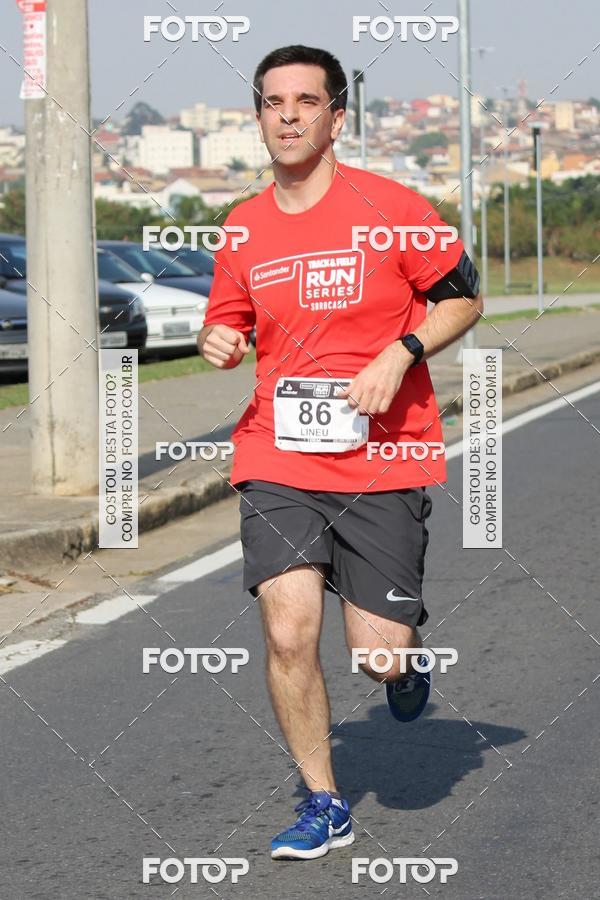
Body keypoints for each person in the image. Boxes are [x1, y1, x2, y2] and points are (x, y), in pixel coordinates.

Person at [197, 45, 483, 861]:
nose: (287, 115)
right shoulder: (243, 225)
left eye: (304, 101)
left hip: (384, 459)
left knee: (375, 658)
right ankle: (324, 802)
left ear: (336, 117)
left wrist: (402, 352)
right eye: (271, 102)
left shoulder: (390, 206)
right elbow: (229, 322)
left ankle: (407, 663)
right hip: (278, 456)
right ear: (258, 117)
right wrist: (219, 338)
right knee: (289, 631)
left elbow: (464, 296)